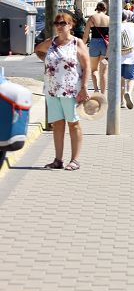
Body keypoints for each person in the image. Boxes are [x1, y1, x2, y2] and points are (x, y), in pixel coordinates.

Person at [35, 10, 90, 171]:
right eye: (57, 24)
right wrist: (46, 61)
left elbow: (86, 67)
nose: (59, 27)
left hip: (71, 90)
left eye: (63, 23)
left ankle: (75, 159)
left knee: (73, 124)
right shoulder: (51, 42)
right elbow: (38, 49)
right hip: (52, 90)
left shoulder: (77, 43)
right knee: (57, 124)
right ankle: (58, 159)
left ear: (71, 25)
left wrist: (85, 87)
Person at [83, 2, 110, 94]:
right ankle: (103, 94)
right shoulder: (109, 19)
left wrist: (82, 46)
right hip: (105, 45)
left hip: (94, 43)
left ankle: (96, 90)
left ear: (97, 9)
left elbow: (86, 35)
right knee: (104, 71)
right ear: (105, 9)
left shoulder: (92, 18)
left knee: (94, 69)